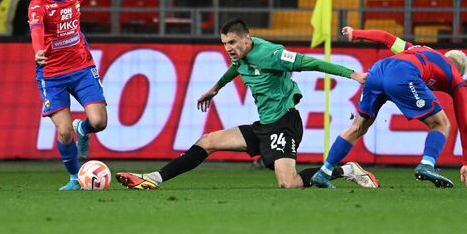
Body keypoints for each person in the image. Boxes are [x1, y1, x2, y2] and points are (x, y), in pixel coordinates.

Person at [116, 18, 379, 190]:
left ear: (247, 38)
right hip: (264, 125)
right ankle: (154, 178)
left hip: (284, 123)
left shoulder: (272, 54)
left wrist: (352, 74)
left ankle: (347, 169)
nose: (228, 48)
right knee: (208, 141)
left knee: (289, 183)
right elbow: (235, 68)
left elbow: (312, 62)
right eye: (224, 44)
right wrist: (215, 89)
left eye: (232, 42)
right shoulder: (239, 57)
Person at [311, 26, 467, 189]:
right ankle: (427, 165)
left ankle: (324, 172)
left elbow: (384, 36)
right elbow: (465, 124)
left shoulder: (416, 49)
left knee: (358, 127)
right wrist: (466, 163)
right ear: (460, 72)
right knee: (441, 124)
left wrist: (355, 33)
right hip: (403, 74)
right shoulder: (456, 79)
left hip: (377, 70)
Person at [28, 0, 108, 190]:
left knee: (99, 122)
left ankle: (82, 128)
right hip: (52, 75)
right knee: (63, 132)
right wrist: (38, 50)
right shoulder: (37, 5)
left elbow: (75, 28)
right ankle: (75, 178)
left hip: (81, 68)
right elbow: (37, 30)